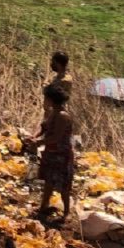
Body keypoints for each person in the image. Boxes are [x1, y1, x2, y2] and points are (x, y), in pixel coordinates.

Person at [28, 85, 75, 221]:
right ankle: (44, 206)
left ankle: (67, 212)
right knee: (49, 181)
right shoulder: (52, 112)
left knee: (64, 186)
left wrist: (39, 143)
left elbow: (56, 137)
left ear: (51, 99)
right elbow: (43, 128)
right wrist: (34, 136)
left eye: (46, 98)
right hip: (51, 152)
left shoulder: (63, 116)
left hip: (61, 155)